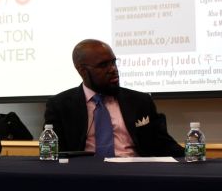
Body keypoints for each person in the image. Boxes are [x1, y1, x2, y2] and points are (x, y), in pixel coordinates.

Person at [44, 39, 184, 158]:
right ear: (82, 70)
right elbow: (55, 152)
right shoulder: (60, 105)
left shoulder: (140, 101)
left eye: (114, 62)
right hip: (85, 175)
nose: (113, 69)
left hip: (134, 174)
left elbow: (164, 143)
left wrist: (192, 157)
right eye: (103, 65)